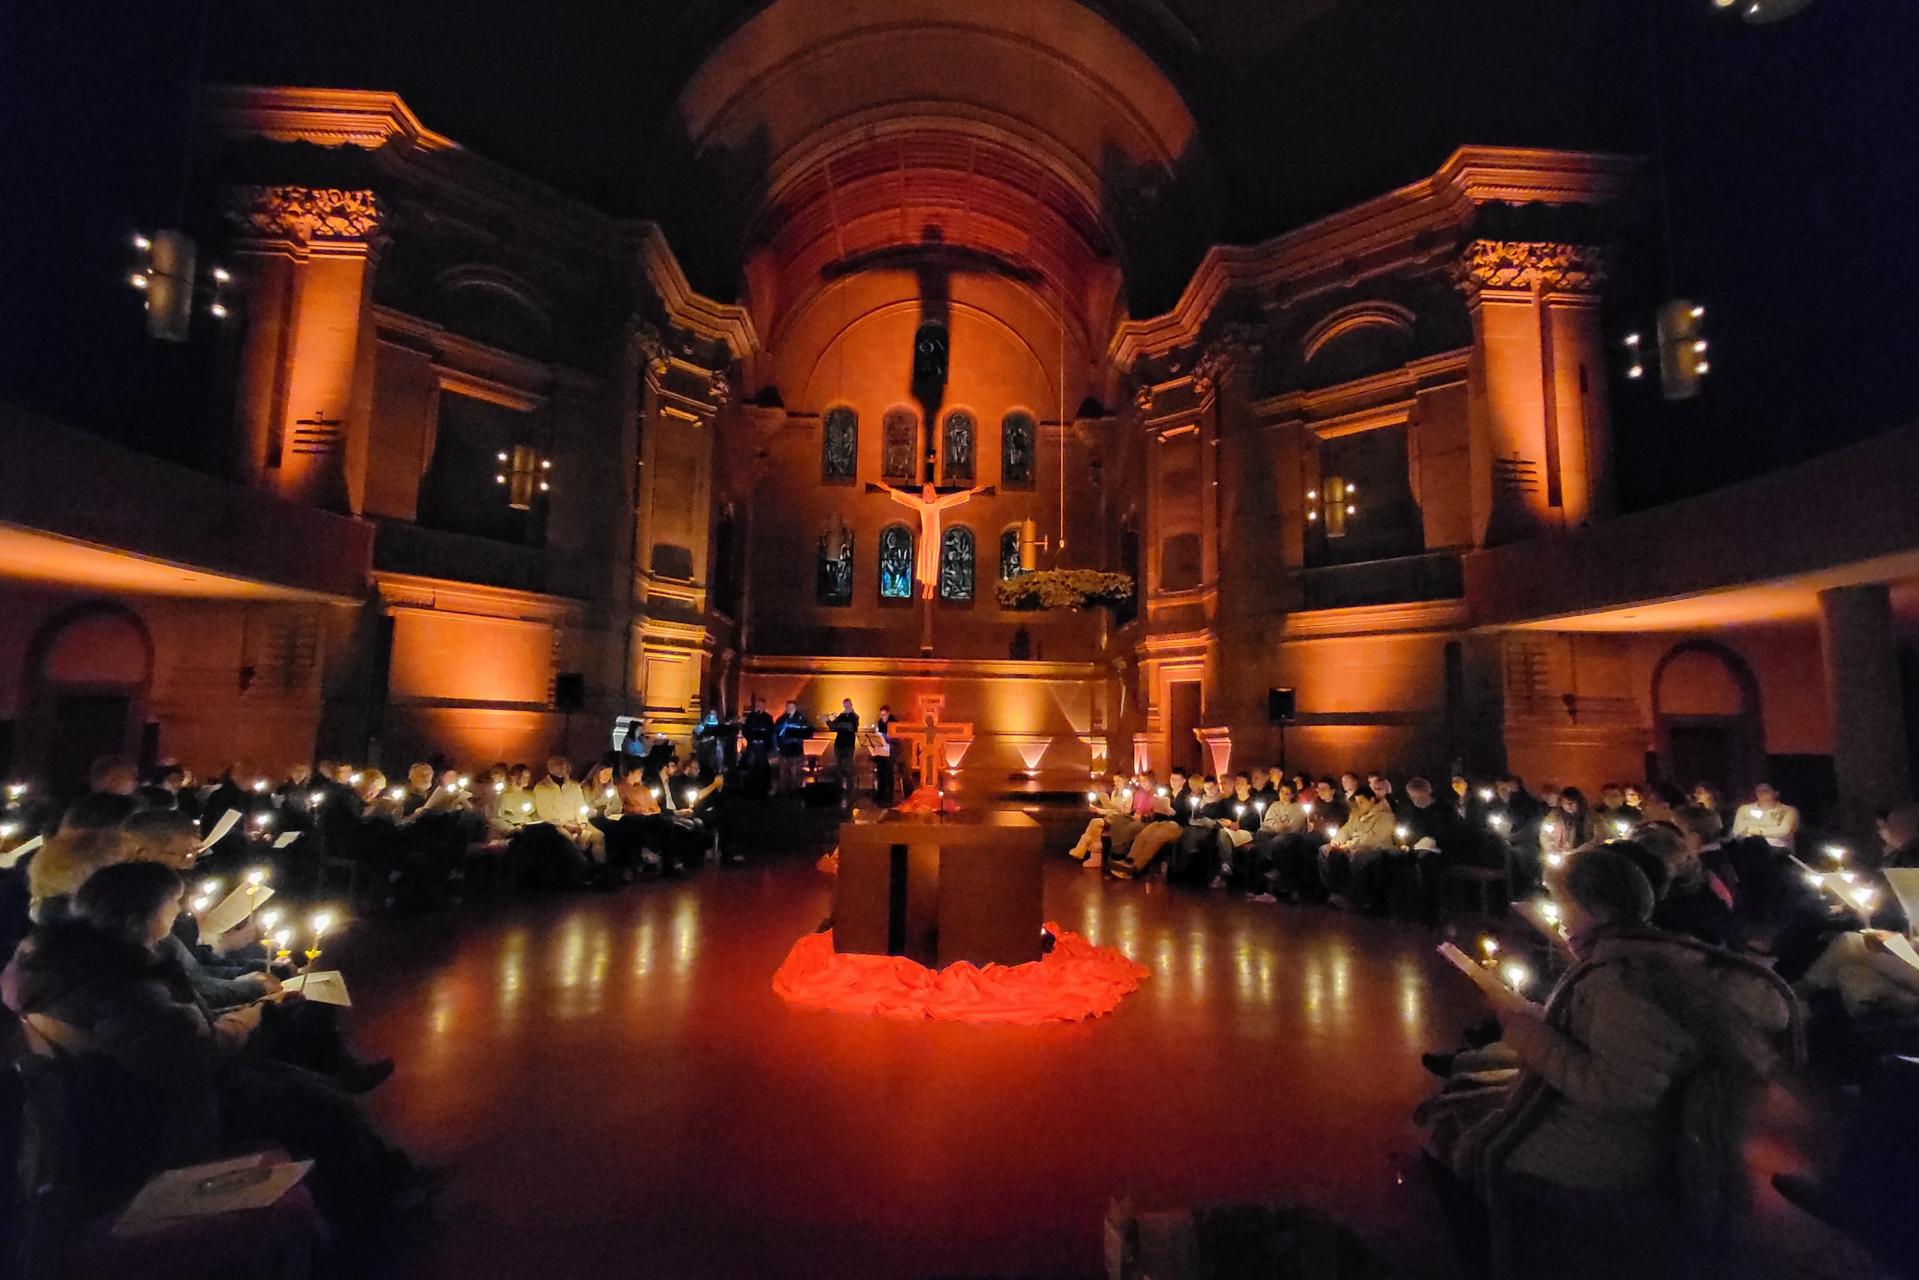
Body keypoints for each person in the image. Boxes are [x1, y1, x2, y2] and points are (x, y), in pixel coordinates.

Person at [1421, 846, 1799, 1279]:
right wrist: (1538, 1019)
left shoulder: (1624, 979)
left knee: (1448, 1126)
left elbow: (1616, 1092)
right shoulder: (1655, 953)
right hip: (1638, 1130)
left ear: (1594, 907)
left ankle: (1490, 1259)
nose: (1557, 912)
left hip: (1619, 1150)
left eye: (1561, 900)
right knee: (1471, 1093)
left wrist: (1523, 1029)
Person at [8, 861, 437, 1231]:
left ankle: (384, 1178)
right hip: (168, 1108)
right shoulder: (121, 985)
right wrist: (253, 1013)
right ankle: (370, 1209)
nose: (177, 912)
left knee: (314, 1087)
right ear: (141, 916)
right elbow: (196, 1053)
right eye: (171, 905)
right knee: (322, 1105)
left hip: (145, 1082)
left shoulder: (70, 960)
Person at [1318, 790, 1398, 910]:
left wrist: (1348, 845)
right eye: (1357, 802)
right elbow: (1346, 830)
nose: (1359, 805)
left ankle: (1355, 897)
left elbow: (1373, 838)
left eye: (1361, 802)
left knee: (1358, 855)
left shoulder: (1386, 817)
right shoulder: (1355, 815)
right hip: (1352, 846)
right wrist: (1336, 841)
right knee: (1325, 850)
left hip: (1375, 848)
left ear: (1371, 800)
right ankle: (1334, 890)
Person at [1729, 782, 1799, 850]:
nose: (1761, 793)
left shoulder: (1789, 811)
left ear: (1776, 793)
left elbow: (1783, 831)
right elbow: (1738, 831)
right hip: (1748, 849)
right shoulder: (1744, 809)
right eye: (1758, 790)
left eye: (1765, 791)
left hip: (1778, 852)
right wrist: (1769, 832)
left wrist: (1753, 830)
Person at [773, 701, 812, 795]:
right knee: (783, 773)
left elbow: (808, 730)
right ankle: (782, 792)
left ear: (795, 708)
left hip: (796, 751)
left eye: (792, 707)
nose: (789, 709)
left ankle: (795, 792)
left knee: (796, 774)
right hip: (784, 751)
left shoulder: (801, 718)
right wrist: (777, 746)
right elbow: (775, 732)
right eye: (788, 707)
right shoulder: (782, 719)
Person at [827, 698, 861, 805]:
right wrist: (828, 720)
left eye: (848, 705)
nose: (846, 707)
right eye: (844, 705)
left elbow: (852, 727)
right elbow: (833, 728)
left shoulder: (854, 716)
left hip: (848, 746)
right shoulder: (841, 716)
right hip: (839, 745)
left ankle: (850, 793)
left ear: (851, 705)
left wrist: (839, 723)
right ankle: (839, 790)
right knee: (838, 768)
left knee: (848, 768)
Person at [740, 697, 775, 797]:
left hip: (763, 746)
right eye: (757, 705)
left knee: (763, 768)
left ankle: (763, 790)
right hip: (752, 746)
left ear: (764, 706)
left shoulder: (768, 717)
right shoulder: (751, 716)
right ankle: (751, 790)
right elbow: (745, 730)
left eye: (761, 705)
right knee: (751, 767)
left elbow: (771, 731)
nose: (759, 707)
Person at [872, 705, 898, 805]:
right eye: (881, 714)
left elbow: (895, 737)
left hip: (891, 751)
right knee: (880, 774)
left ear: (888, 713)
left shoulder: (893, 723)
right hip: (880, 751)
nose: (883, 717)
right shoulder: (879, 723)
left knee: (889, 774)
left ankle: (889, 796)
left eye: (884, 714)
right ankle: (880, 794)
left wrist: (887, 737)